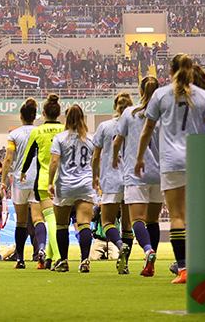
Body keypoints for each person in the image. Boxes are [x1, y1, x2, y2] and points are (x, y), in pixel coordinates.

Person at [136, 54, 205, 284]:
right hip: (197, 160)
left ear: (170, 71)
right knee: (196, 216)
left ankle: (183, 269)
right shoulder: (202, 95)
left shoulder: (161, 94)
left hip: (171, 162)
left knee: (177, 216)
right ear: (191, 71)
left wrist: (140, 157)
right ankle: (201, 263)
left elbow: (147, 129)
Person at [115, 77, 163, 277]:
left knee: (137, 220)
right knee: (153, 221)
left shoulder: (129, 113)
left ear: (140, 90)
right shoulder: (163, 114)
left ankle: (148, 250)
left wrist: (113, 158)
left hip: (137, 172)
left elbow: (118, 140)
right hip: (159, 173)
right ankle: (150, 260)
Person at [49, 104, 96, 273]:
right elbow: (96, 161)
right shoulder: (91, 139)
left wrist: (49, 183)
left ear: (66, 118)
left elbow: (54, 161)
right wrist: (96, 179)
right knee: (84, 223)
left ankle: (63, 261)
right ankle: (84, 261)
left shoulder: (60, 138)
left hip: (65, 185)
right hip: (85, 184)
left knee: (61, 224)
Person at [20, 94, 66, 269]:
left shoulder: (37, 132)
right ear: (59, 112)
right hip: (63, 182)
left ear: (44, 113)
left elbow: (29, 155)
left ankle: (59, 257)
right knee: (58, 221)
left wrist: (23, 172)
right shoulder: (65, 130)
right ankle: (50, 257)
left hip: (44, 181)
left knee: (51, 221)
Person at [91, 93, 134, 274]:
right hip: (131, 178)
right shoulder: (134, 126)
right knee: (127, 225)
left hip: (111, 178)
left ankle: (119, 245)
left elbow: (95, 156)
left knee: (107, 221)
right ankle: (125, 264)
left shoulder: (104, 127)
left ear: (115, 107)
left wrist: (95, 176)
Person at [0, 98, 38, 269]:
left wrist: (3, 181)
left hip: (20, 181)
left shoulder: (14, 134)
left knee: (21, 222)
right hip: (39, 180)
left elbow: (8, 158)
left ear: (21, 116)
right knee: (39, 219)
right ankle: (42, 253)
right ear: (35, 116)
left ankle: (20, 259)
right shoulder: (40, 132)